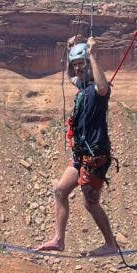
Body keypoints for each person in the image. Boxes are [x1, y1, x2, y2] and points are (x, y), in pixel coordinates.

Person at [37, 35, 118, 256]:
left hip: (95, 156)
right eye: (76, 65)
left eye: (81, 64)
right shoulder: (82, 87)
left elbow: (102, 86)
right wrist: (69, 51)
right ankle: (58, 239)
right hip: (81, 155)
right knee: (60, 190)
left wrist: (92, 55)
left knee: (90, 203)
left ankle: (110, 244)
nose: (78, 68)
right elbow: (70, 76)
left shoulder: (98, 90)